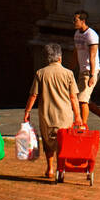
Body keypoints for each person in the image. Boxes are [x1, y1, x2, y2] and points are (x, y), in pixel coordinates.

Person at [24, 43, 84, 182]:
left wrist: (27, 111)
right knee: (62, 143)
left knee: (48, 142)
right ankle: (60, 169)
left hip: (46, 114)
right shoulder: (68, 74)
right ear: (60, 58)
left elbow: (33, 95)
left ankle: (50, 168)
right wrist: (78, 116)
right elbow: (74, 97)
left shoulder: (40, 73)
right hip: (64, 116)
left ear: (47, 58)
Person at [71, 11, 100, 134]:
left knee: (82, 100)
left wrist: (92, 75)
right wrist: (70, 70)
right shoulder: (77, 34)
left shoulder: (92, 35)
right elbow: (75, 53)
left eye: (76, 20)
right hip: (82, 71)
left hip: (91, 71)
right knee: (83, 100)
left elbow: (93, 55)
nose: (74, 22)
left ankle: (82, 126)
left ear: (83, 21)